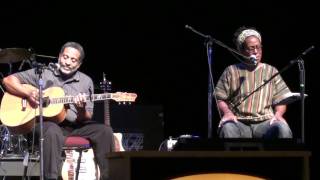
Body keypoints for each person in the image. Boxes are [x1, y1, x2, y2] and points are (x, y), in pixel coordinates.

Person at [2, 41, 115, 179]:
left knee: (105, 131)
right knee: (52, 130)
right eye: (65, 57)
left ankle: (110, 176)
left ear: (79, 64)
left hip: (73, 126)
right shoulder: (43, 73)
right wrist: (28, 94)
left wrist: (81, 109)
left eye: (73, 60)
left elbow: (85, 118)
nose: (67, 62)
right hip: (44, 125)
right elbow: (8, 80)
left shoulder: (86, 81)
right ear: (59, 56)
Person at [214, 26, 293, 139]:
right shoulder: (231, 71)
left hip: (265, 122)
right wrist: (227, 113)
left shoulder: (271, 71)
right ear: (241, 50)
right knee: (227, 129)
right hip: (238, 122)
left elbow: (281, 98)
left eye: (258, 47)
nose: (256, 51)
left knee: (282, 128)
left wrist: (278, 114)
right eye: (251, 48)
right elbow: (219, 97)